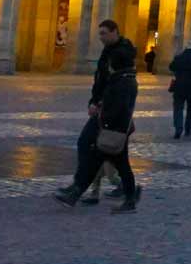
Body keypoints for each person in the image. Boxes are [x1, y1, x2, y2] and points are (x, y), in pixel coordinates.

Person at [56, 42, 140, 212]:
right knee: (119, 165)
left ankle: (77, 193)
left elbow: (119, 107)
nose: (108, 66)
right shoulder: (125, 79)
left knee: (101, 163)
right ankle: (128, 198)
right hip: (117, 130)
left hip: (113, 130)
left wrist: (104, 116)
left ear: (115, 64)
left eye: (110, 63)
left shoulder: (123, 82)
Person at [76, 20, 139, 204]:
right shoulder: (110, 54)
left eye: (104, 33)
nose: (100, 37)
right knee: (110, 155)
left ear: (114, 32)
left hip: (111, 118)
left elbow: (116, 93)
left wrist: (102, 109)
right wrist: (94, 101)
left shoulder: (123, 72)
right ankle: (122, 193)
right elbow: (100, 82)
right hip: (107, 114)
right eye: (100, 33)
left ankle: (79, 189)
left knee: (99, 152)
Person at [168, 42, 191, 140]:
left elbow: (171, 67)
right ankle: (188, 128)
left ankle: (178, 129)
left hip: (179, 88)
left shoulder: (178, 58)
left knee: (178, 108)